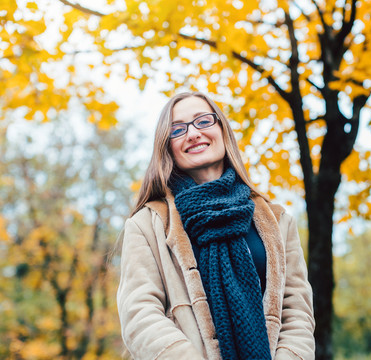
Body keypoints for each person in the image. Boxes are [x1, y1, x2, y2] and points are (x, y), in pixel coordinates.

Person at [116, 92, 315, 360]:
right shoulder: (146, 224)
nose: (193, 133)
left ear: (222, 130)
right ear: (167, 147)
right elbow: (139, 314)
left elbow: (297, 312)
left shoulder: (278, 221)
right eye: (178, 129)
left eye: (203, 121)